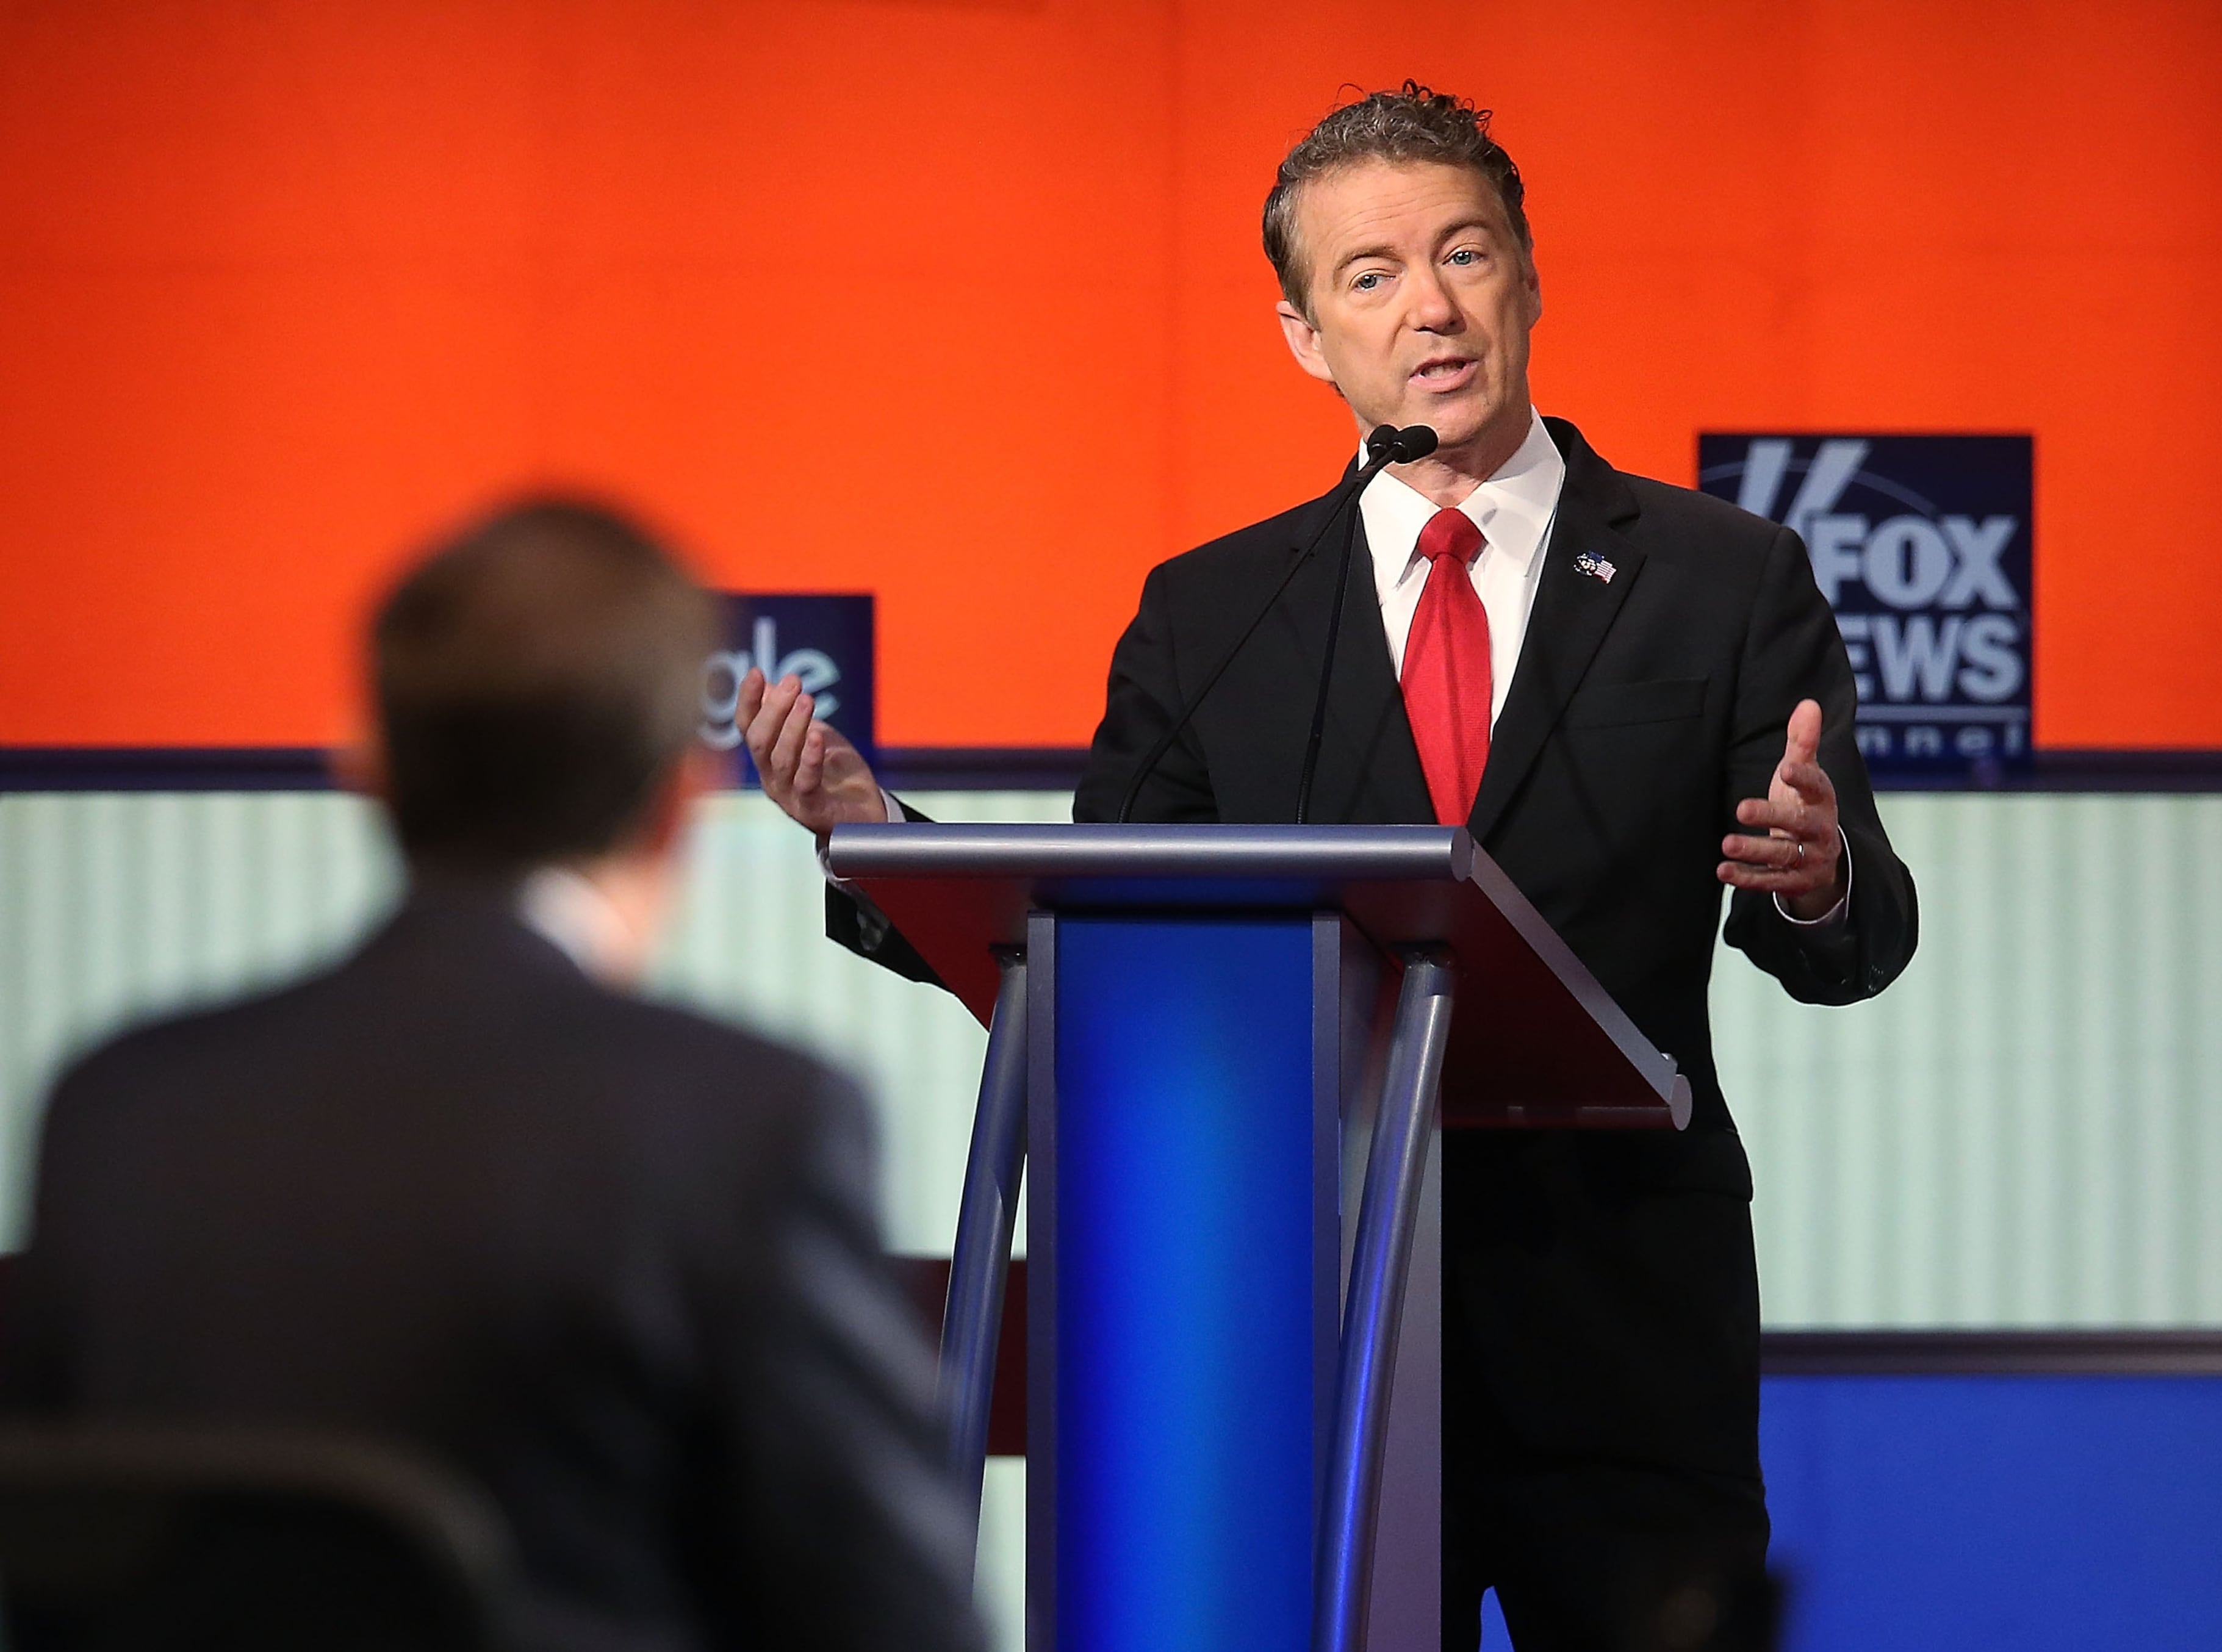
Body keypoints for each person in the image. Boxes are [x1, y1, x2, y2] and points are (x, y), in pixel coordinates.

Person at [736, 84, 1918, 1650]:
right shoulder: (1216, 612)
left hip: (1624, 1328)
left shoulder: (1719, 575)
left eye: (1464, 254)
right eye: (1371, 275)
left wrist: (1815, 876)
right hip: (1308, 1322)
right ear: (1306, 335)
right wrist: (881, 842)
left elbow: (1856, 938)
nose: (1431, 307)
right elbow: (1101, 933)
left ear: (1529, 278)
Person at [4, 501, 987, 1652]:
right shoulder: (749, 1126)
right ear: (675, 805)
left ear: (370, 771)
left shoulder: (116, 1113)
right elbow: (899, 1622)